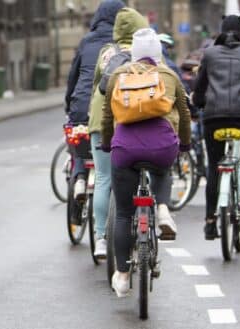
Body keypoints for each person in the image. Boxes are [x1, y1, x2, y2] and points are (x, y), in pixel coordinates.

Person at [101, 28, 191, 297]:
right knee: (163, 169)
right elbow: (184, 114)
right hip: (161, 146)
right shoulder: (169, 75)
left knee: (124, 214)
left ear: (134, 52)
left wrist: (108, 144)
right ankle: (163, 208)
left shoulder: (118, 75)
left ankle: (122, 275)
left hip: (125, 148)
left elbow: (107, 116)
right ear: (158, 53)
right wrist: (183, 144)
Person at [192, 15, 240, 240]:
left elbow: (200, 87)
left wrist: (197, 103)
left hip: (213, 116)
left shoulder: (208, 54)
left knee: (213, 168)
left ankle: (210, 222)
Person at [86, 6, 147, 258]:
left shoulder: (106, 53)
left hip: (101, 122)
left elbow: (95, 88)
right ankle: (143, 222)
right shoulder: (146, 52)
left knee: (102, 178)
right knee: (144, 172)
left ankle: (100, 238)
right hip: (134, 122)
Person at [65, 0, 125, 201]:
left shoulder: (87, 41)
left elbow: (73, 77)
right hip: (112, 109)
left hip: (81, 105)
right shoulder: (122, 43)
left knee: (79, 139)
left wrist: (69, 105)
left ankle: (80, 177)